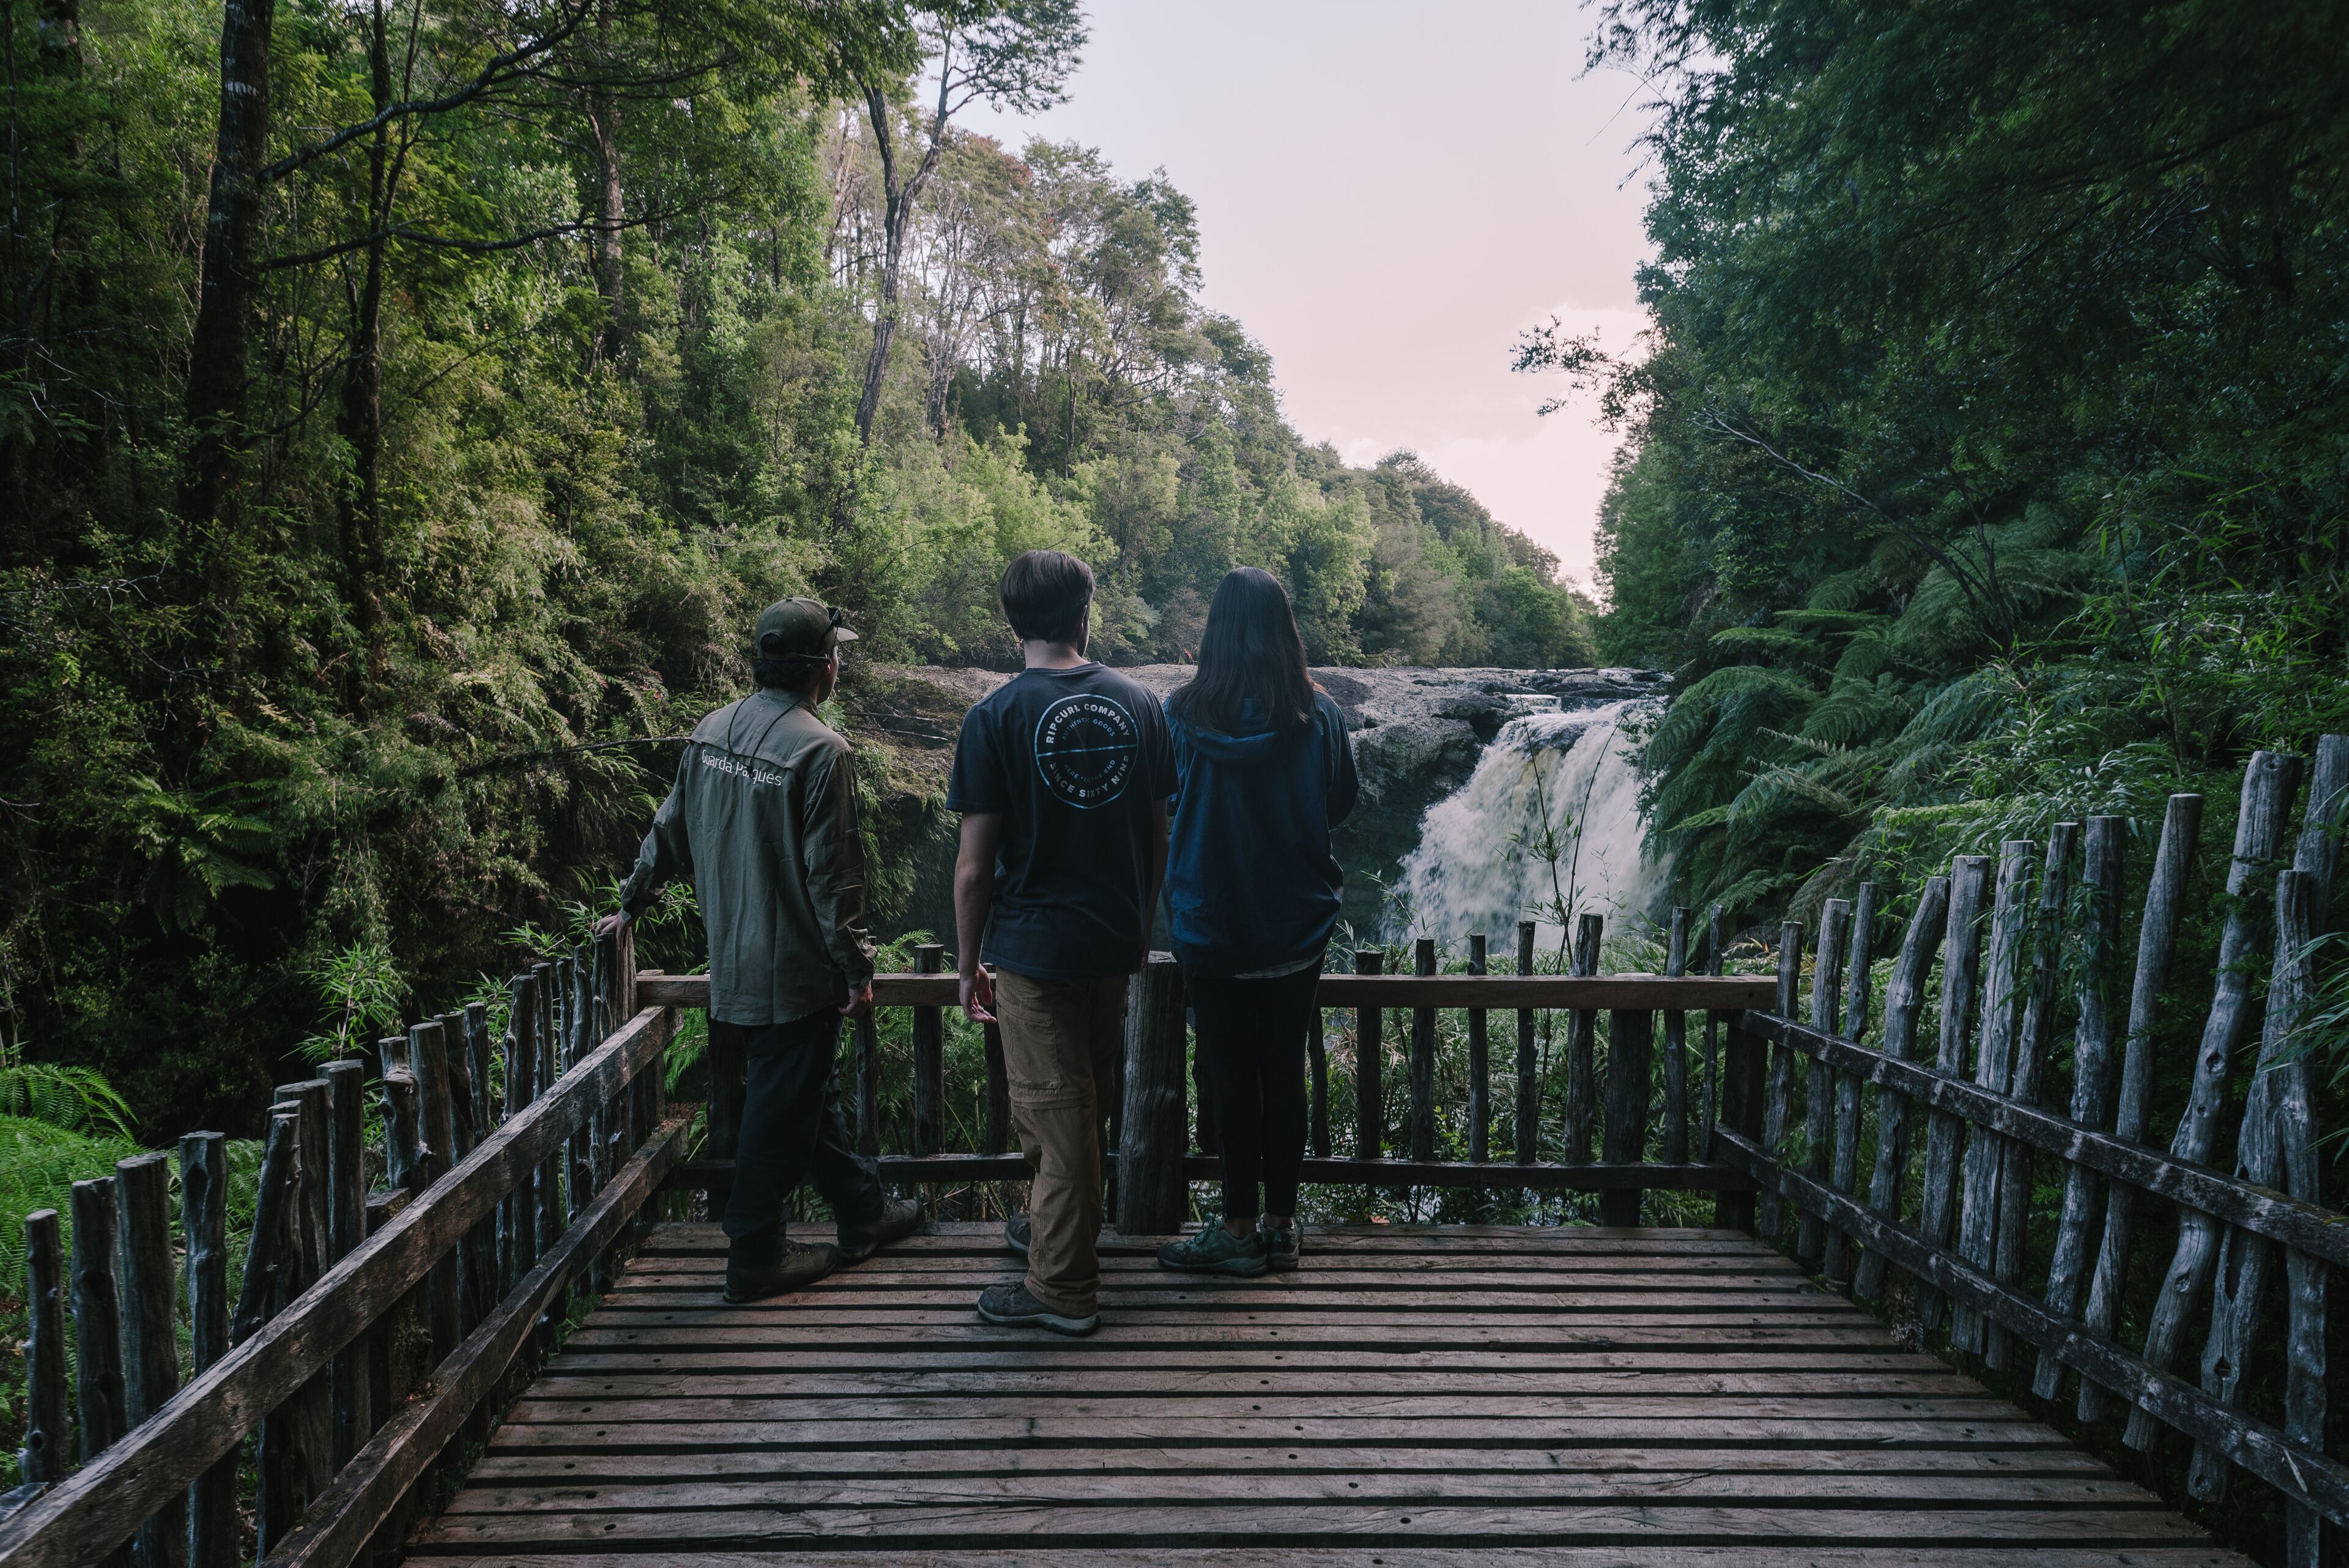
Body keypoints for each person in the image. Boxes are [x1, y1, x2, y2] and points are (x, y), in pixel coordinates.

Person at [601, 597, 921, 1304]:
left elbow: (669, 827)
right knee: (780, 1111)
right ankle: (755, 1251)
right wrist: (858, 968)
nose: (839, 663)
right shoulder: (821, 750)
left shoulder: (711, 730)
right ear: (822, 667)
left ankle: (863, 1210)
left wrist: (631, 901)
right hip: (798, 974)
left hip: (735, 963)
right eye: (836, 653)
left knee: (803, 1092)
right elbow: (834, 878)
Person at [948, 550, 1174, 1336]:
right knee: (1082, 1100)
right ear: (1085, 613)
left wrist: (967, 963)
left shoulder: (995, 718)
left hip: (1035, 948)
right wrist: (1137, 924)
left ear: (1013, 623)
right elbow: (1157, 835)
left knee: (1055, 1110)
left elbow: (975, 867)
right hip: (1111, 942)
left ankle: (1062, 1287)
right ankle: (1056, 1228)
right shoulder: (1142, 705)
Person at [1154, 567, 1357, 1276]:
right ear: (1285, 631)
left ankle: (1236, 1229)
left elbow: (1163, 802)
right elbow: (1339, 803)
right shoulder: (1319, 714)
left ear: (1216, 632)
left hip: (1211, 924)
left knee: (1231, 1075)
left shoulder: (1181, 714)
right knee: (1285, 1071)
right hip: (1294, 926)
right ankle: (1281, 1225)